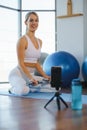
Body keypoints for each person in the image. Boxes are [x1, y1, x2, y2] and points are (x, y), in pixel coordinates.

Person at [8, 11, 50, 96]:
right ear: (25, 22)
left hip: (29, 76)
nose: (34, 23)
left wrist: (46, 76)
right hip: (18, 74)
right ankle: (12, 89)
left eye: (36, 20)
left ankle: (29, 85)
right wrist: (31, 78)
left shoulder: (39, 41)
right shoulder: (22, 40)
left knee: (51, 86)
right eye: (31, 20)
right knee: (24, 90)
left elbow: (36, 63)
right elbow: (20, 64)